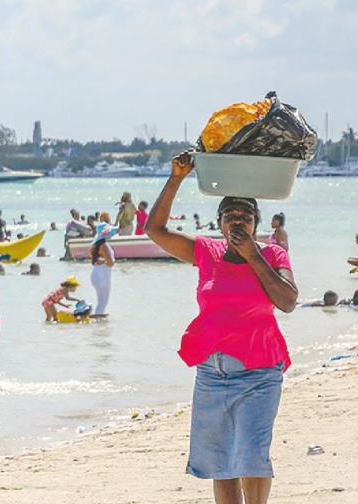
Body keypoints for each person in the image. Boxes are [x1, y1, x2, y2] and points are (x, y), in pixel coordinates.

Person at [145, 151, 298, 504]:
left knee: (253, 455)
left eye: (245, 217)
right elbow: (155, 230)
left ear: (256, 223)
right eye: (230, 216)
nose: (238, 222)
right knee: (221, 463)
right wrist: (176, 178)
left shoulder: (272, 254)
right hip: (212, 374)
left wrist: (252, 256)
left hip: (259, 372)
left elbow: (288, 300)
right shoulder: (206, 251)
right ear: (220, 223)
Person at [90, 223, 117, 317]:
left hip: (96, 273)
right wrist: (109, 261)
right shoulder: (104, 245)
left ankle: (99, 316)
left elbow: (95, 260)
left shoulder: (95, 245)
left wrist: (103, 261)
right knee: (103, 301)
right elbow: (110, 263)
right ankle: (98, 319)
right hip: (102, 275)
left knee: (101, 300)